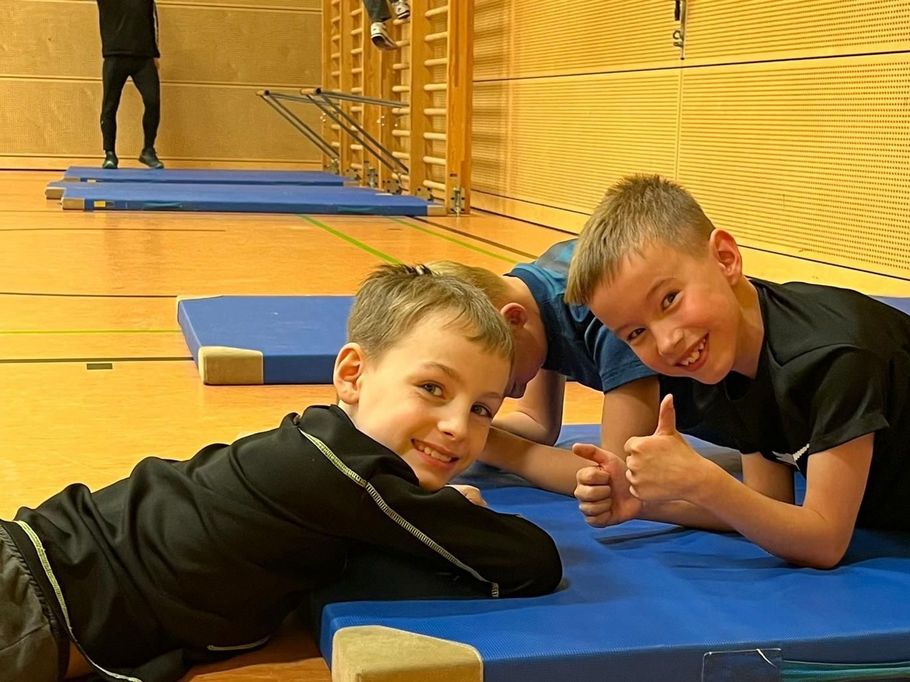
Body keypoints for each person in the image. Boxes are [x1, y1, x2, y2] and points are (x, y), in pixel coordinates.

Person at [0, 264, 562, 681]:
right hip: (37, 595)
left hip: (46, 561)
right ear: (353, 375)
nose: (458, 426)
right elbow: (531, 562)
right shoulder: (346, 477)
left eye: (482, 409)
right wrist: (449, 513)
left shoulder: (320, 441)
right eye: (432, 388)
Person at [566, 174, 910, 568]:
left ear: (725, 258)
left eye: (670, 299)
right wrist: (643, 503)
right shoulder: (722, 354)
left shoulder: (830, 358)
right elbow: (766, 504)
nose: (666, 342)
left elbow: (824, 542)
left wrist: (704, 482)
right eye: (636, 333)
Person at [430, 250, 658, 494]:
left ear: (514, 319)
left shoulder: (605, 309)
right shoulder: (529, 297)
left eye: (494, 375)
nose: (508, 393)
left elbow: (617, 476)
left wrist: (476, 440)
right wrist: (467, 431)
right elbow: (536, 423)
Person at [97, 0, 165, 169]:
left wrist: (155, 54)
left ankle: (148, 150)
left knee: (152, 101)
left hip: (143, 57)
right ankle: (109, 153)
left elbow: (152, 20)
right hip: (115, 55)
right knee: (110, 105)